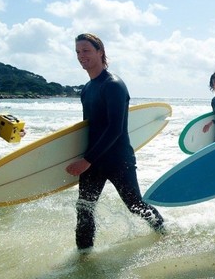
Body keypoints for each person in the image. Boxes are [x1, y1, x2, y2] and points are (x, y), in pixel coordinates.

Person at [65, 33, 165, 251]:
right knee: (84, 208)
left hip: (117, 159)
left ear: (100, 52)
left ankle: (163, 232)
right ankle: (83, 258)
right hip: (93, 160)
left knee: (135, 205)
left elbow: (115, 129)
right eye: (78, 52)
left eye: (86, 51)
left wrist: (86, 160)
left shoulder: (113, 85)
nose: (81, 56)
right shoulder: (87, 88)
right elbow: (87, 128)